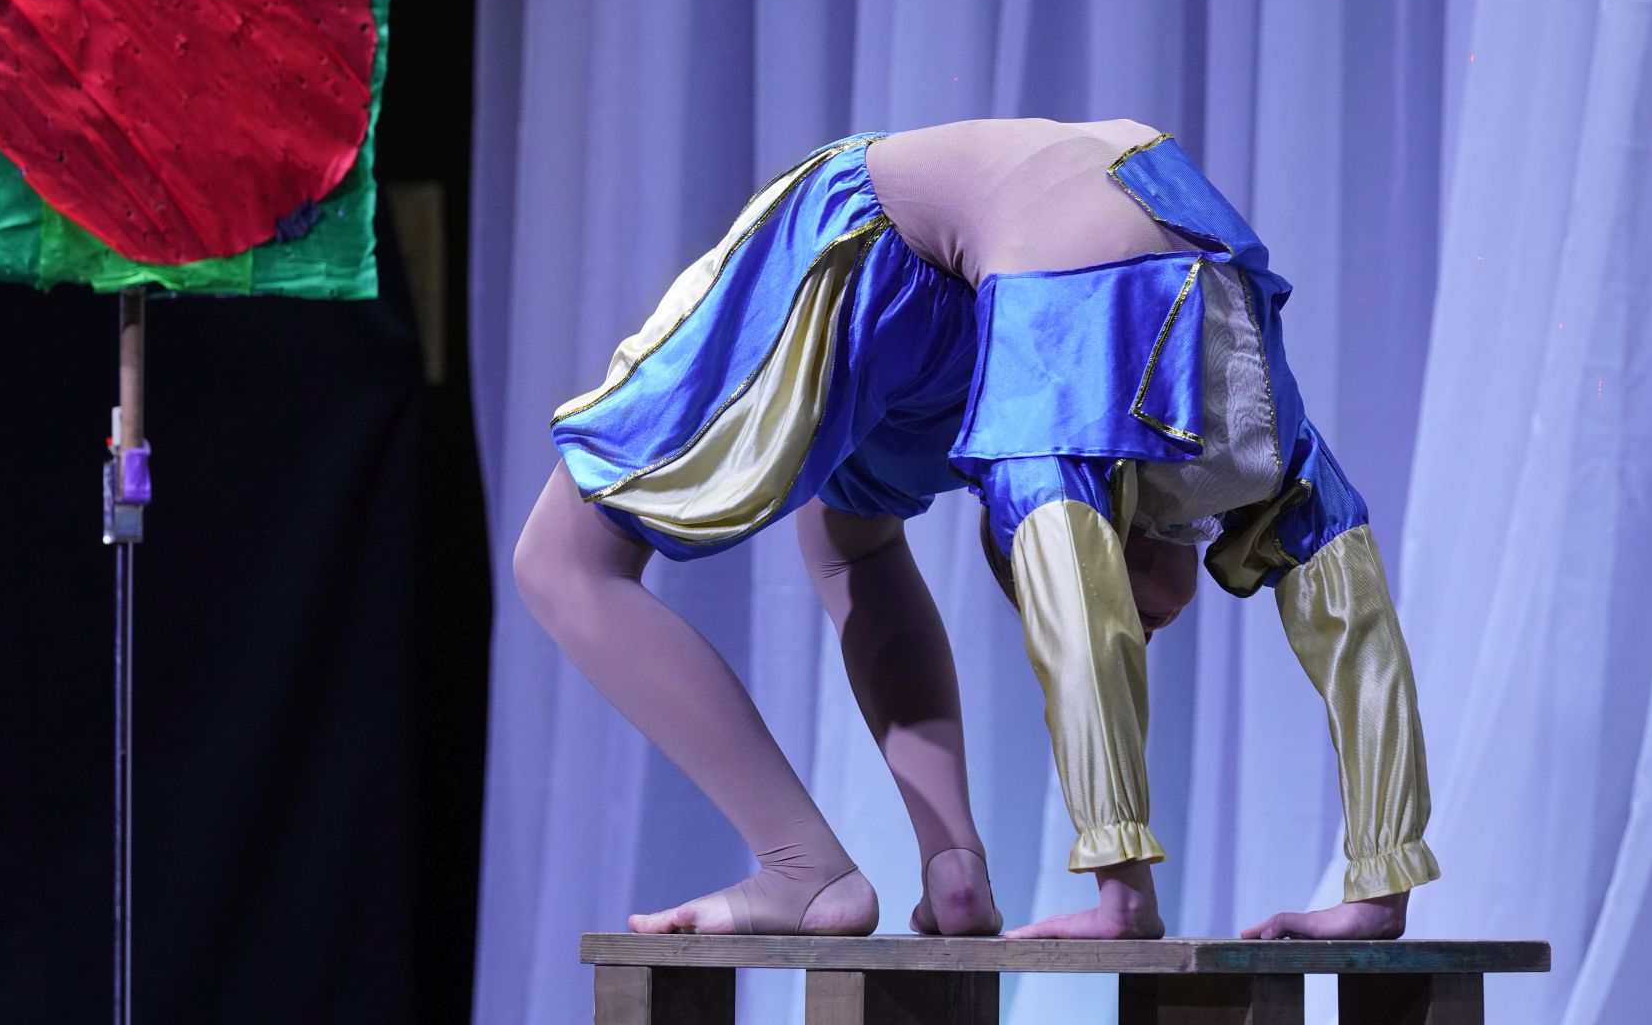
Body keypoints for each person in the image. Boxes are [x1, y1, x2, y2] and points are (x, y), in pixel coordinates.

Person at [511, 118, 1435, 940]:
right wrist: (1126, 895)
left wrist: (1379, 885)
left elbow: (1348, 600)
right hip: (880, 231)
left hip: (1023, 265)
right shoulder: (1097, 413)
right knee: (664, 548)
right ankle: (882, 868)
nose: (1146, 632)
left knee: (800, 536)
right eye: (1145, 619)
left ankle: (879, 869)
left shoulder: (1220, 420)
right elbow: (1083, 612)